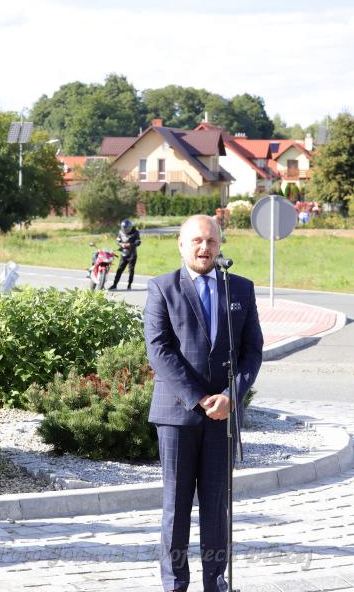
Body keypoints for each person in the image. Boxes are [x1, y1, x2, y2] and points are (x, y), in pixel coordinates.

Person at [144, 215, 263, 592]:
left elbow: (252, 351)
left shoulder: (240, 288)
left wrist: (231, 396)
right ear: (181, 244)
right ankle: (175, 585)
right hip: (177, 415)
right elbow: (159, 350)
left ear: (220, 245)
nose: (204, 248)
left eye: (211, 241)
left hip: (222, 418)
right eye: (196, 240)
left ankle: (216, 583)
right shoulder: (162, 288)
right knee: (176, 507)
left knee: (216, 507)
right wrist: (198, 399)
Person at [108, 219, 141, 291]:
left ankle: (129, 285)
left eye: (127, 228)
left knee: (131, 270)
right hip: (124, 254)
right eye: (124, 228)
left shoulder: (136, 232)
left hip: (132, 254)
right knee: (119, 269)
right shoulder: (120, 232)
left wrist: (130, 244)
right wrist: (121, 244)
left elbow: (138, 242)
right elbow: (118, 241)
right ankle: (114, 285)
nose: (125, 229)